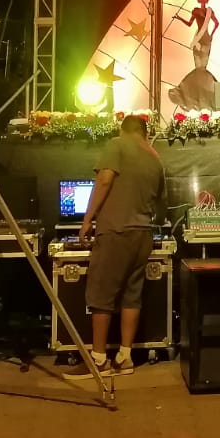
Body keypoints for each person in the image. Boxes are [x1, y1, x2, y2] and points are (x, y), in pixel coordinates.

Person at [71, 114, 165, 377]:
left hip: (115, 231)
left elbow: (104, 180)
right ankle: (125, 357)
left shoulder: (117, 144)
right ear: (145, 133)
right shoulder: (155, 158)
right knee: (131, 296)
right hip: (143, 234)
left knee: (101, 295)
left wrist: (87, 220)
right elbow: (161, 204)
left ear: (123, 130)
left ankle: (99, 360)